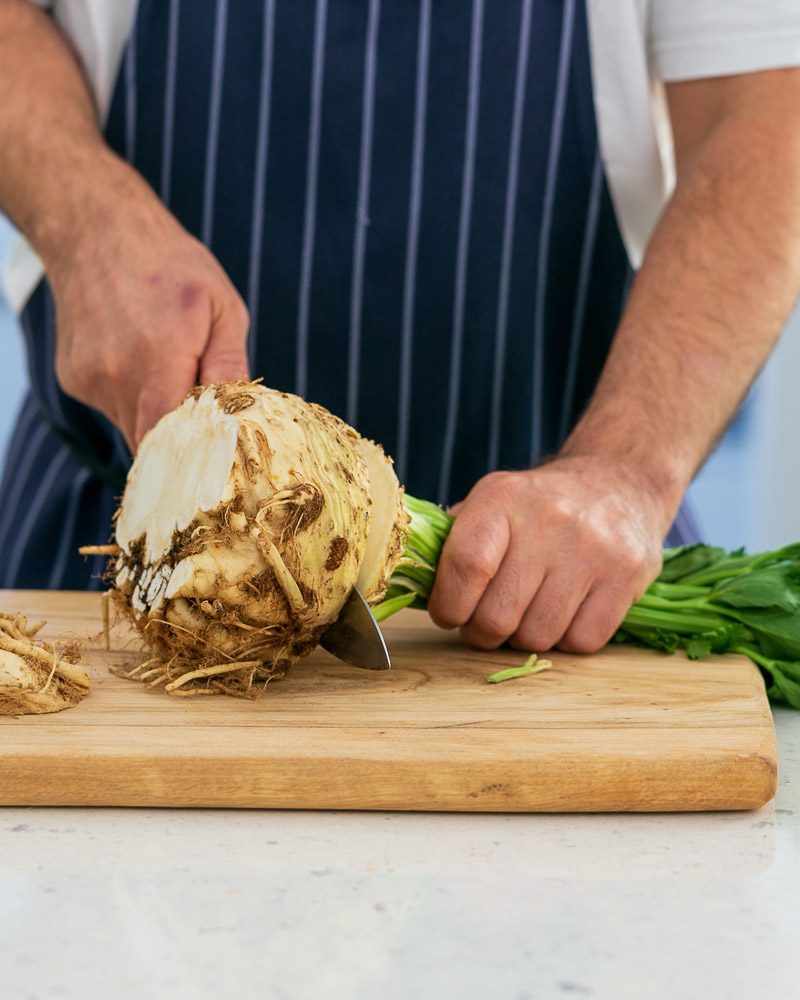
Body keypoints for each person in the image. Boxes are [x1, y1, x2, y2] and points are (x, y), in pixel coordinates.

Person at [0, 0, 799, 656]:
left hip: (549, 580)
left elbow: (765, 116)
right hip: (121, 556)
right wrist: (89, 219)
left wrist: (626, 473)